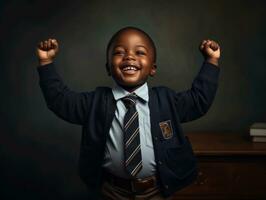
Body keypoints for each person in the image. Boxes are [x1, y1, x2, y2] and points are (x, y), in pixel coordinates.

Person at [36, 26, 220, 200]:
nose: (129, 57)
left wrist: (211, 61)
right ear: (108, 67)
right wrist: (46, 62)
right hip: (112, 191)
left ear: (153, 68)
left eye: (139, 52)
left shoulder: (166, 100)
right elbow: (61, 101)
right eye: (119, 52)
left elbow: (199, 100)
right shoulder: (95, 102)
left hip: (158, 190)